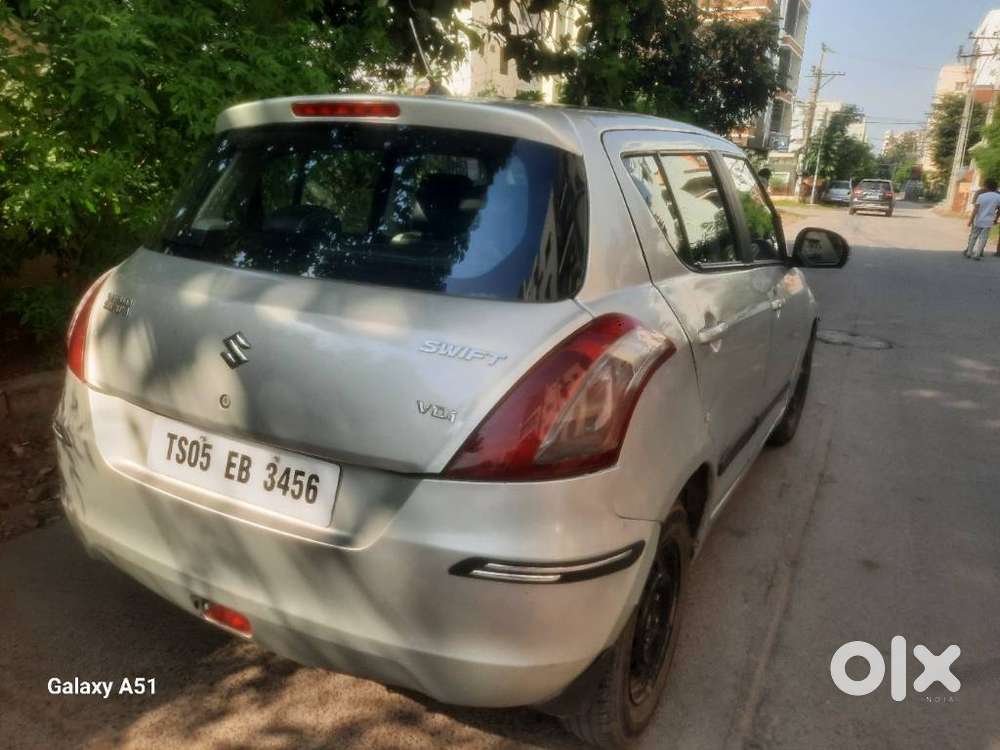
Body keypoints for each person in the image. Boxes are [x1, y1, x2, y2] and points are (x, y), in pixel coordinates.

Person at [964, 178, 1000, 260]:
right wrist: (996, 219)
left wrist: (970, 220)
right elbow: (999, 210)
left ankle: (969, 252)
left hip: (978, 219)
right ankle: (977, 254)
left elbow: (975, 209)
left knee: (974, 236)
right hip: (989, 220)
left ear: (986, 186)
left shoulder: (981, 196)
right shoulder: (998, 197)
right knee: (983, 238)